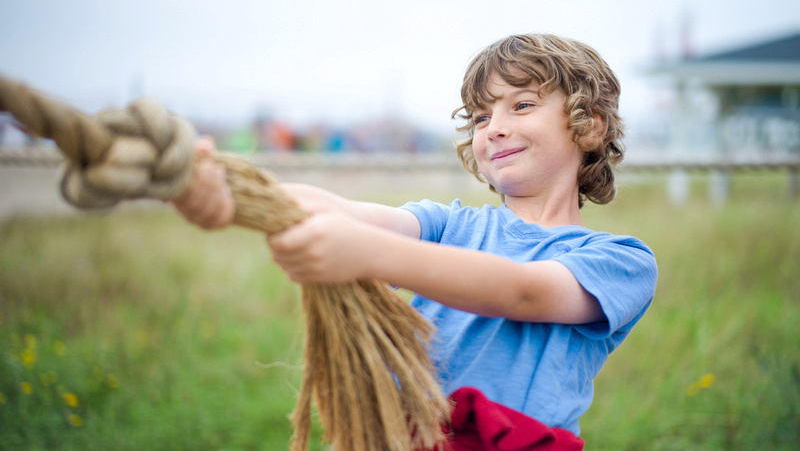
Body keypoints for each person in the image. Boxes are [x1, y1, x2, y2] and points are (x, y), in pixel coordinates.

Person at [172, 34, 658, 444]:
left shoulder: (620, 260)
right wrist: (233, 190)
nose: (496, 128)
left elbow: (523, 291)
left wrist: (367, 254)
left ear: (589, 124)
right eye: (482, 116)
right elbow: (344, 213)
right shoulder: (448, 225)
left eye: (522, 105)